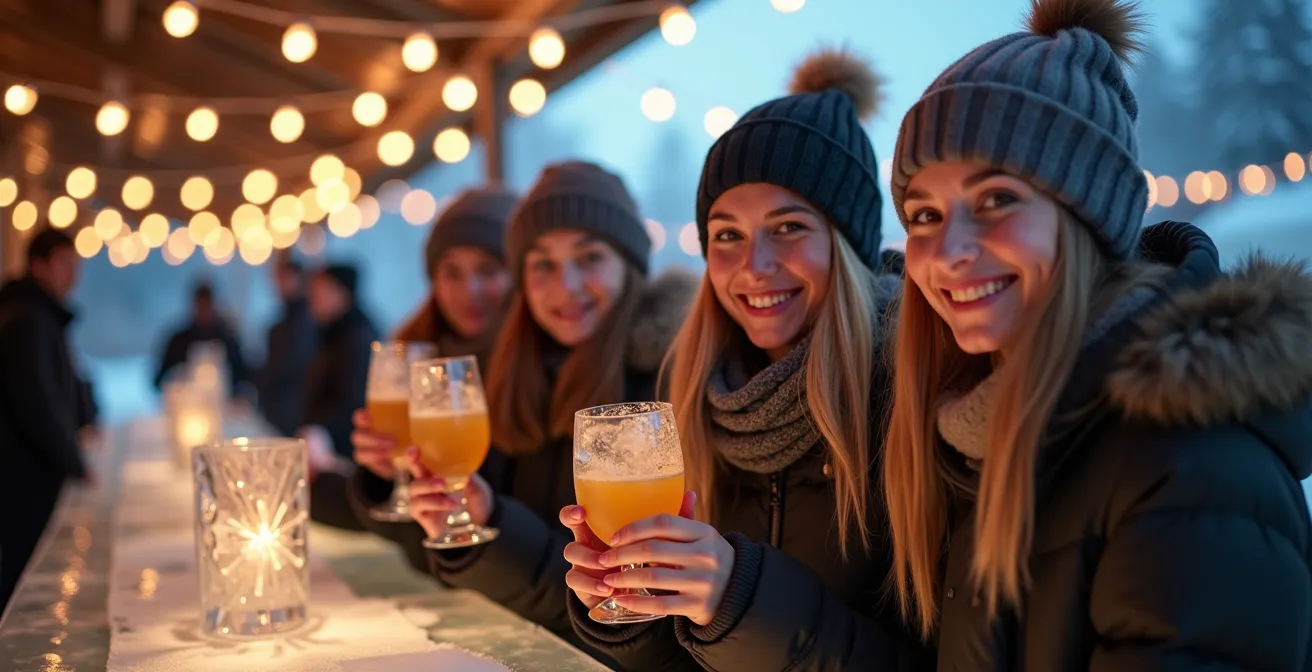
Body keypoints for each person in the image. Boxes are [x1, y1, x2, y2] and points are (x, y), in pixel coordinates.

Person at [882, 0, 1312, 669]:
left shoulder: (1189, 469)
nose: (950, 250)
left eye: (997, 199)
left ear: (1088, 217)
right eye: (924, 215)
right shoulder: (984, 432)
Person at [562, 49, 929, 671]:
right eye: (727, 234)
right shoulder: (692, 396)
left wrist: (739, 596)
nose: (754, 267)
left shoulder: (912, 396)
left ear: (848, 246)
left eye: (788, 228)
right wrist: (628, 606)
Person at [398, 161, 696, 652]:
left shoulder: (667, 385)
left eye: (590, 257)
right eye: (543, 265)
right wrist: (472, 520)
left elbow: (649, 618)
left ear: (630, 266)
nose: (567, 286)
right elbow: (442, 566)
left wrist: (496, 531)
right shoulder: (513, 376)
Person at [349, 185, 518, 573]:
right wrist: (382, 478)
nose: (468, 290)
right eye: (452, 272)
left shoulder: (535, 369)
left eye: (488, 270)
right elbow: (416, 546)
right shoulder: (415, 353)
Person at [0, 228, 90, 608]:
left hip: (31, 466)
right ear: (39, 266)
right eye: (64, 264)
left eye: (75, 265)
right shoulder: (28, 319)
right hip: (26, 472)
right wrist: (74, 462)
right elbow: (38, 402)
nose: (72, 274)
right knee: (25, 574)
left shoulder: (37, 315)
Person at [301, 263, 379, 531]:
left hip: (347, 458)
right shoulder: (330, 333)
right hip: (326, 448)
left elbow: (353, 403)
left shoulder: (357, 337)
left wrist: (320, 432)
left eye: (321, 291)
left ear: (342, 293)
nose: (313, 298)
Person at [153, 282, 249, 397]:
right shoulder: (178, 341)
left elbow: (242, 377)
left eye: (206, 305)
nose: (203, 311)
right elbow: (158, 380)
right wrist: (178, 378)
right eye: (200, 305)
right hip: (186, 405)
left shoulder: (228, 340)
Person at [256, 256, 317, 437]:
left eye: (287, 279)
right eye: (279, 279)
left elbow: (295, 365)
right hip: (276, 409)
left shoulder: (309, 321)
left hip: (295, 408)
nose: (281, 285)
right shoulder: (279, 324)